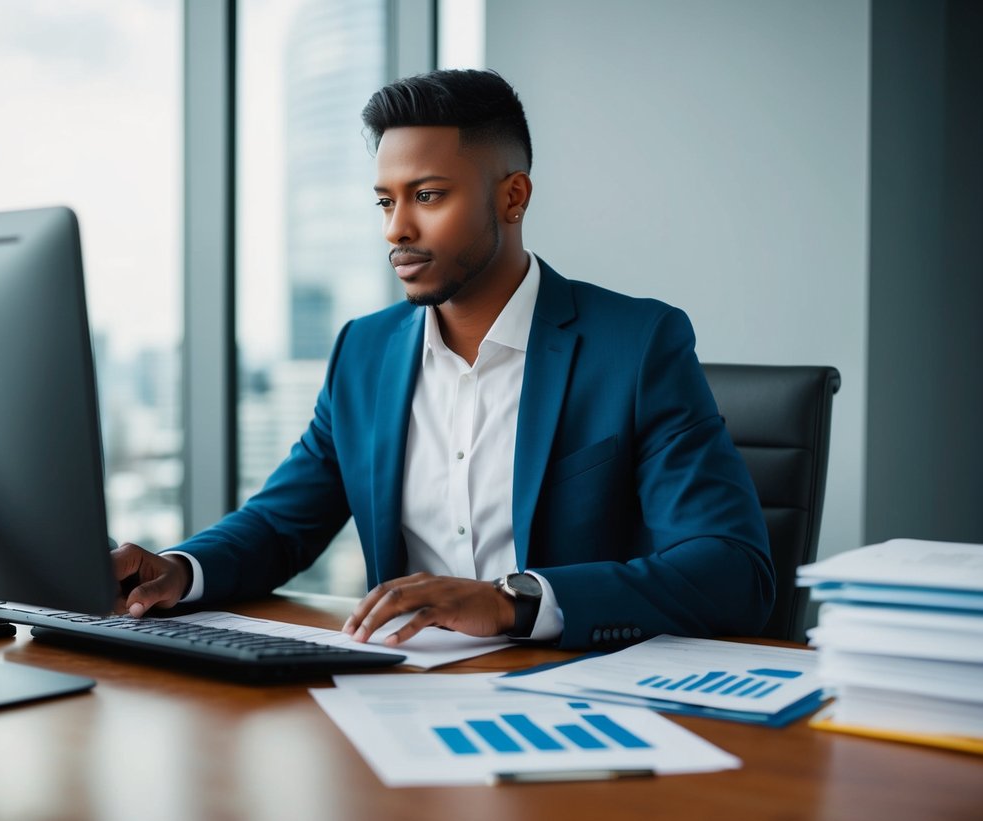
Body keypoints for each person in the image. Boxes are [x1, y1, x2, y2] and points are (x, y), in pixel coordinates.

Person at [112, 69, 774, 651]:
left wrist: (510, 601)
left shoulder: (634, 344)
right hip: (400, 691)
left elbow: (729, 570)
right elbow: (280, 524)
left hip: (575, 694)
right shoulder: (363, 352)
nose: (395, 228)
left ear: (512, 197)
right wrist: (179, 569)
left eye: (426, 196)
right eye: (384, 200)